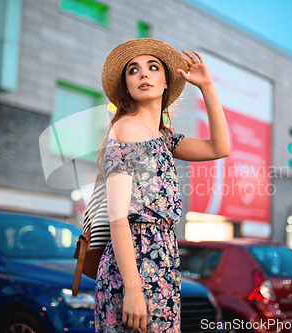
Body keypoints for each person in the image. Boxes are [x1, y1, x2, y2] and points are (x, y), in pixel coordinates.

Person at [95, 38, 230, 333]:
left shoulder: (164, 138)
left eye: (152, 68)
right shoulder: (126, 129)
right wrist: (132, 288)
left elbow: (219, 147)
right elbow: (117, 217)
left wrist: (207, 87)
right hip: (135, 266)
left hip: (163, 262)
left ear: (166, 82)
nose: (143, 74)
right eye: (134, 70)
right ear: (127, 86)